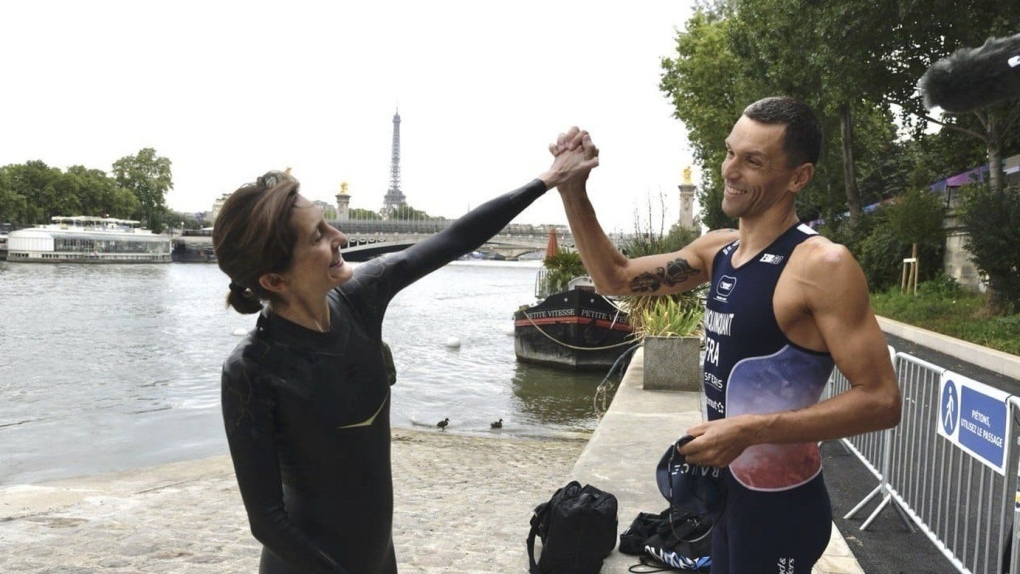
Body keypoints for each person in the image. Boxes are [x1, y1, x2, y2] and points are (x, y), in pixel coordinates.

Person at [550, 96, 902, 573]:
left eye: (753, 161)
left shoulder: (822, 265)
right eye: (730, 152)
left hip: (780, 503)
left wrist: (751, 429)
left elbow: (881, 400)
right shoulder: (719, 249)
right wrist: (572, 190)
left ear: (798, 177)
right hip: (722, 493)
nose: (730, 171)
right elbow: (615, 277)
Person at [212, 150, 598, 573]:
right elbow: (267, 521)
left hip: (378, 556)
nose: (338, 235)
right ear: (274, 280)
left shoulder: (359, 298)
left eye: (326, 223)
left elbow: (454, 239)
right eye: (317, 237)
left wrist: (548, 179)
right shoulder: (250, 371)